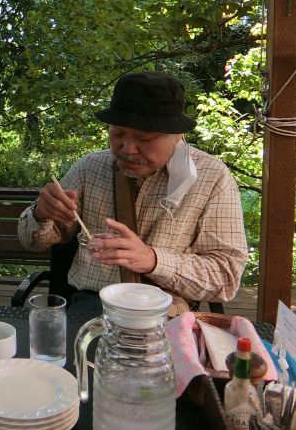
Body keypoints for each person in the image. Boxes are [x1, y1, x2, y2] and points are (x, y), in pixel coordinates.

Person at [18, 71, 247, 305]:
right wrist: (41, 215)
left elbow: (226, 277)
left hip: (166, 311)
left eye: (145, 138)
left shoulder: (211, 177)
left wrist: (153, 260)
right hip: (91, 304)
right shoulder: (90, 168)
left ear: (177, 135)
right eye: (118, 133)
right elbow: (31, 241)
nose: (127, 149)